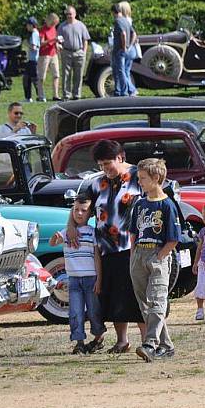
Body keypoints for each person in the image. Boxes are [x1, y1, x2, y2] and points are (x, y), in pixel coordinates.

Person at [74, 139, 143, 353]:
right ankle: (122, 341)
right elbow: (80, 205)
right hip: (106, 248)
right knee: (113, 297)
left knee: (136, 296)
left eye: (108, 163)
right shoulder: (97, 183)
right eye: (101, 165)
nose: (105, 169)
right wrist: (70, 228)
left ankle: (148, 340)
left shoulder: (139, 176)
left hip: (132, 247)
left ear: (120, 158)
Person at [129, 158, 179, 361]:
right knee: (145, 304)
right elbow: (133, 232)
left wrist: (159, 257)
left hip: (158, 255)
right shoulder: (140, 204)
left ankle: (150, 343)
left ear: (156, 178)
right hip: (139, 254)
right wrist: (133, 255)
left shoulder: (167, 205)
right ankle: (166, 345)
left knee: (157, 299)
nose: (139, 182)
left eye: (143, 178)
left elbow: (173, 239)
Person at [49, 194, 105, 354]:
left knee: (94, 310)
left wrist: (99, 279)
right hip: (73, 279)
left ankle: (98, 337)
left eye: (84, 210)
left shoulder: (93, 232)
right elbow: (54, 242)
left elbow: (96, 256)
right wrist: (55, 237)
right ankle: (79, 341)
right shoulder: (67, 232)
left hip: (91, 278)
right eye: (76, 210)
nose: (79, 214)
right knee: (75, 311)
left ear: (91, 214)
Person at [58, 5, 91, 100]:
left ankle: (77, 94)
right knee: (66, 75)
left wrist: (84, 53)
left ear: (75, 14)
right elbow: (59, 40)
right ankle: (66, 95)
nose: (69, 16)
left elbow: (85, 40)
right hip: (66, 52)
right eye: (67, 14)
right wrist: (60, 47)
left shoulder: (81, 25)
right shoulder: (62, 26)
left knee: (78, 75)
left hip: (79, 53)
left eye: (70, 14)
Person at [110, 4, 132, 97]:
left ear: (113, 12)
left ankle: (124, 91)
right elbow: (133, 33)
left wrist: (123, 47)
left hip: (119, 50)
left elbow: (123, 34)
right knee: (119, 70)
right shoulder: (126, 20)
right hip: (126, 50)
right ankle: (118, 90)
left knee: (120, 71)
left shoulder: (118, 21)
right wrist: (129, 45)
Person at [38, 13, 61, 101]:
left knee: (56, 75)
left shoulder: (53, 29)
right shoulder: (43, 30)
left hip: (53, 54)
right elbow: (41, 43)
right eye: (53, 23)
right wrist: (53, 40)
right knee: (42, 76)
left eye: (55, 24)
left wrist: (57, 45)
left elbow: (55, 40)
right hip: (44, 55)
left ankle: (55, 95)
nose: (53, 25)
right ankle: (41, 95)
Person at [118, 1, 139, 96]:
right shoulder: (129, 20)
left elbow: (125, 34)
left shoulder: (123, 21)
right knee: (126, 71)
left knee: (122, 71)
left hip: (126, 48)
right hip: (131, 48)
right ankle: (129, 90)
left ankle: (131, 89)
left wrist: (127, 46)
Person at [23, 17, 43, 102]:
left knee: (34, 79)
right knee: (26, 78)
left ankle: (41, 96)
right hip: (31, 60)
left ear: (31, 25)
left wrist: (27, 44)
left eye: (27, 25)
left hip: (34, 60)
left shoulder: (34, 33)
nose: (26, 27)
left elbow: (34, 47)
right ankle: (28, 97)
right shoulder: (34, 33)